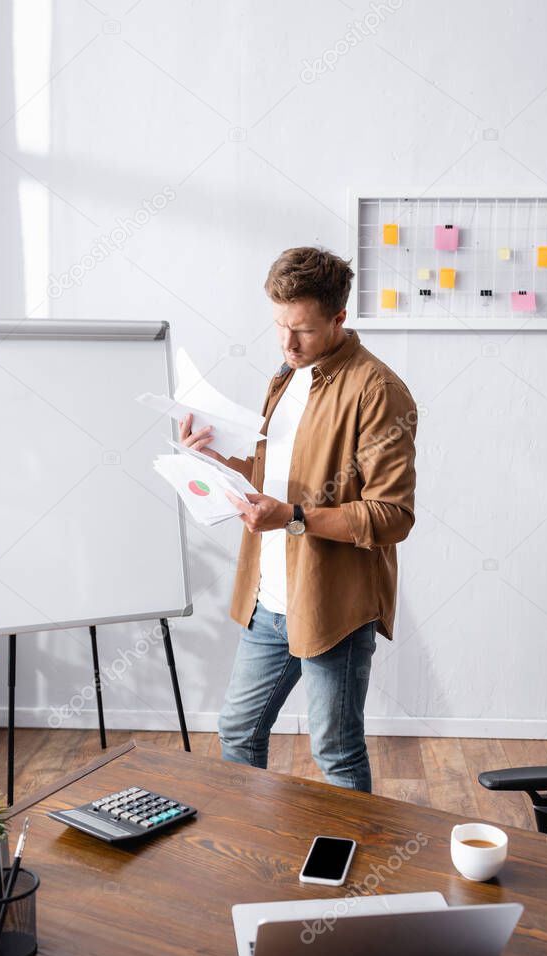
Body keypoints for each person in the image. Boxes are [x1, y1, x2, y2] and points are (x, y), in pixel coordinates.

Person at [179, 246, 417, 792]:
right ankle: (248, 857)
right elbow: (274, 472)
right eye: (279, 327)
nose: (287, 345)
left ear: (339, 317)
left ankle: (352, 873)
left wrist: (292, 518)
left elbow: (392, 516)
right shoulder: (288, 377)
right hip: (272, 600)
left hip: (334, 605)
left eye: (303, 331)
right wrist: (216, 459)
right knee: (238, 731)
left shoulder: (377, 390)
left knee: (334, 753)